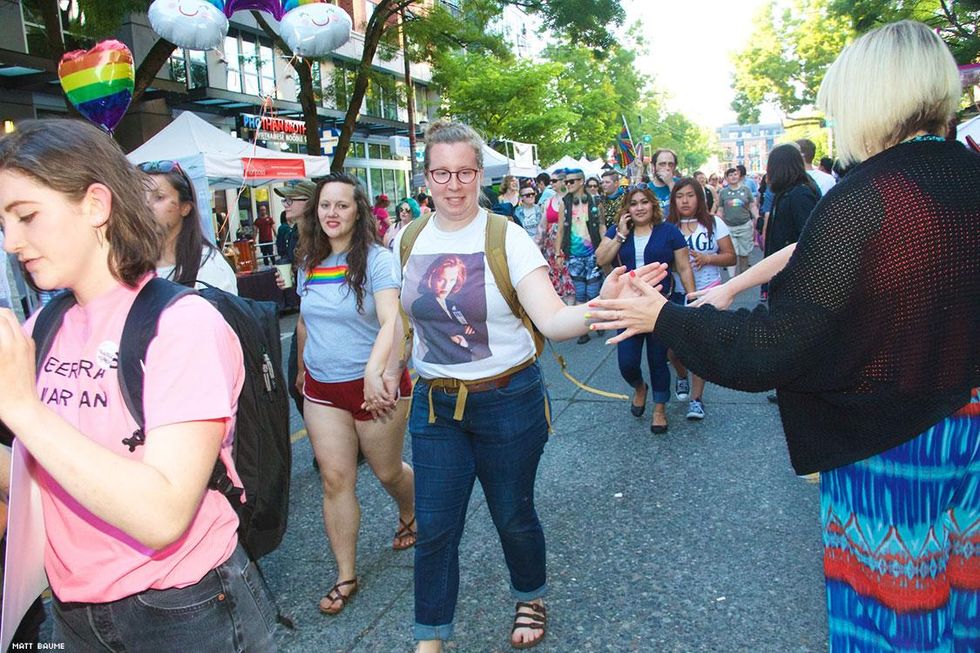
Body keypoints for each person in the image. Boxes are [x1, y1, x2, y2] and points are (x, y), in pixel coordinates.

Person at [587, 21, 979, 651]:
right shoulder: (963, 176)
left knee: (897, 621)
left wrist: (664, 318)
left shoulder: (872, 193)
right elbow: (812, 251)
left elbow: (775, 346)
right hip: (965, 426)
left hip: (895, 440)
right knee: (961, 610)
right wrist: (729, 289)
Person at [381, 120, 667, 652]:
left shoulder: (504, 236)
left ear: (480, 174)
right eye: (441, 172)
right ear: (425, 177)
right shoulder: (406, 238)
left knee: (512, 514)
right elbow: (402, 317)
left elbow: (554, 320)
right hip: (437, 405)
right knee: (437, 528)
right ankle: (429, 639)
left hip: (507, 401)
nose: (453, 183)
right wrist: (385, 365)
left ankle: (530, 594)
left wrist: (604, 305)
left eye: (464, 171)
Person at [0, 119, 277, 650]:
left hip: (180, 607)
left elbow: (162, 515)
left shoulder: (182, 324)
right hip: (74, 608)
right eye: (5, 221)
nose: (12, 242)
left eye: (27, 216)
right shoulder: (46, 323)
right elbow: (35, 476)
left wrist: (21, 410)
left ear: (97, 205)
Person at [293, 173, 416, 616]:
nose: (332, 213)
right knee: (335, 480)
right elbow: (305, 320)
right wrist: (303, 367)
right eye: (325, 205)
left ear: (358, 211)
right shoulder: (307, 261)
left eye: (342, 205)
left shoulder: (378, 260)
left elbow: (392, 322)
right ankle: (346, 574)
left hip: (376, 387)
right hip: (323, 390)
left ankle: (410, 512)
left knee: (386, 472)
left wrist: (374, 370)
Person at [594, 185, 695, 433]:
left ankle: (659, 409)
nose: (639, 207)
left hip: (660, 305)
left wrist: (693, 300)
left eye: (644, 202)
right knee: (627, 363)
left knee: (657, 359)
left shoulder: (669, 232)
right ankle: (640, 387)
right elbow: (600, 259)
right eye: (634, 203)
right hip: (626, 306)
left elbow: (683, 267)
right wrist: (619, 234)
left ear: (653, 205)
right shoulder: (618, 232)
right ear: (627, 209)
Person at [664, 178, 735, 420]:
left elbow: (730, 257)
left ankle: (696, 400)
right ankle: (681, 376)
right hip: (677, 294)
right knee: (672, 350)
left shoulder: (714, 223)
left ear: (700, 198)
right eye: (680, 196)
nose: (685, 200)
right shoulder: (667, 226)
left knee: (700, 347)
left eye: (690, 195)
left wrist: (708, 258)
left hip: (708, 292)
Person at [138, 160, 239, 295]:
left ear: (185, 208)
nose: (147, 205)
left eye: (159, 197)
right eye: (140, 197)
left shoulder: (209, 266)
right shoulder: (134, 267)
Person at [715, 166, 757, 277]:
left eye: (735, 174)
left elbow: (752, 205)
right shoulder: (723, 192)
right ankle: (732, 278)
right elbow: (720, 209)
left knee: (744, 253)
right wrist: (717, 221)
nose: (733, 177)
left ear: (739, 176)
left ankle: (743, 275)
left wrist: (757, 217)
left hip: (745, 226)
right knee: (731, 253)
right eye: (730, 175)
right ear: (726, 178)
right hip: (729, 227)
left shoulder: (746, 190)